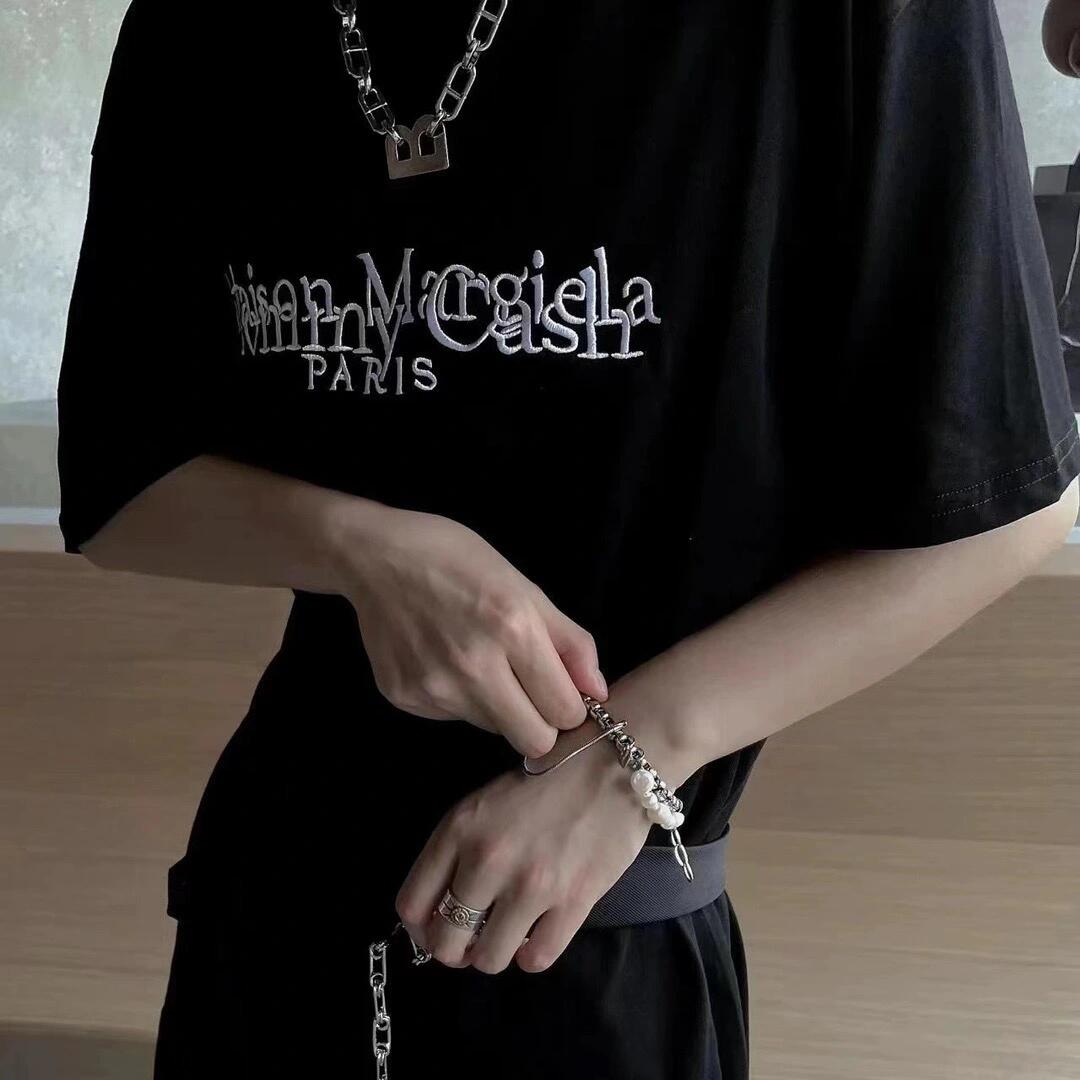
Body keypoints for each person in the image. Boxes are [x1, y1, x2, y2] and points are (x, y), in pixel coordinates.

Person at [56, 1, 1080, 1077]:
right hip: (267, 927)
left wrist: (631, 757)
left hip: (596, 951)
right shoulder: (201, 29)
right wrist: (365, 551)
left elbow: (1007, 503)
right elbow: (123, 481)